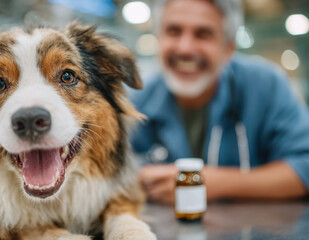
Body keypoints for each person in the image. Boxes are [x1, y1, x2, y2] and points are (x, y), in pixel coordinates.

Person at [131, 0, 309, 204]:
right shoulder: (134, 99)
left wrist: (210, 183)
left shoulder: (266, 85)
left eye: (203, 34)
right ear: (158, 38)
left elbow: (305, 165)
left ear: (229, 47)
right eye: (173, 31)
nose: (185, 48)